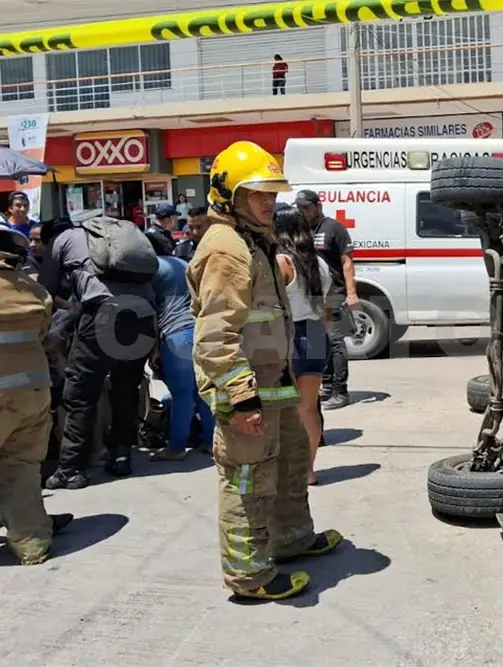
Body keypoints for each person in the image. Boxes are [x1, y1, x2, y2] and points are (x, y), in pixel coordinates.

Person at [190, 140, 341, 601]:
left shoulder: (253, 240)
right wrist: (240, 398)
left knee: (294, 460)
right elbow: (215, 337)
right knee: (248, 482)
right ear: (228, 196)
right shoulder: (227, 250)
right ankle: (250, 576)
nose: (269, 204)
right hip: (247, 391)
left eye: (272, 195)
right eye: (259, 195)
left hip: (274, 383)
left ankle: (291, 538)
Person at [39, 217, 156, 489]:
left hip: (103, 315)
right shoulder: (116, 239)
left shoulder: (60, 241)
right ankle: (121, 456)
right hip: (141, 315)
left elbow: (44, 292)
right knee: (126, 390)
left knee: (80, 394)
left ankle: (71, 469)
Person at [0, 225, 74, 565]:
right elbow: (44, 335)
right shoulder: (34, 291)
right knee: (22, 467)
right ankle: (32, 544)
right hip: (33, 392)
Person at [144, 230, 214, 462]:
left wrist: (154, 350)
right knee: (200, 390)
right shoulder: (181, 263)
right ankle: (211, 440)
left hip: (176, 334)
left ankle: (176, 447)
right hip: (199, 330)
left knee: (181, 393)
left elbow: (150, 312)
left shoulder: (152, 269)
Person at [274, 204, 331, 485]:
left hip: (288, 335)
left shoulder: (280, 262)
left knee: (283, 411)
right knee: (309, 409)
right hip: (316, 333)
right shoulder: (318, 263)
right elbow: (325, 308)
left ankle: (288, 472)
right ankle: (308, 471)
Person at [294, 189, 357, 411]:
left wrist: (351, 294)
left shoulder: (334, 228)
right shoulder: (301, 230)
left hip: (334, 292)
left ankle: (341, 391)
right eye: (299, 208)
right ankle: (327, 387)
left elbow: (347, 262)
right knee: (321, 343)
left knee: (335, 341)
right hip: (312, 295)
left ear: (318, 206)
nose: (303, 212)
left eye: (307, 208)